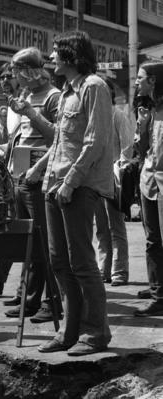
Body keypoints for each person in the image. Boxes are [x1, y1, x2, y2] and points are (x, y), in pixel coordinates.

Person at [26, 31, 113, 355]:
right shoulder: (66, 94)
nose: (50, 58)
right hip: (55, 185)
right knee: (59, 262)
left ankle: (96, 333)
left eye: (56, 53)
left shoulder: (94, 87)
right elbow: (62, 142)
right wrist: (39, 171)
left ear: (71, 57)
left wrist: (70, 182)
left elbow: (95, 141)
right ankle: (69, 331)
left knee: (82, 263)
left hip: (77, 188)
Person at [0, 48, 63, 323]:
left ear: (29, 71)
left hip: (40, 176)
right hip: (22, 175)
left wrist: (32, 115)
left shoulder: (52, 97)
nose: (13, 78)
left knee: (46, 242)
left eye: (16, 72)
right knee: (29, 241)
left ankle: (52, 301)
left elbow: (57, 138)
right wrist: (5, 149)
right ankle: (31, 300)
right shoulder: (26, 96)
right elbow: (22, 136)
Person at [94, 78, 133, 286]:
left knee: (116, 226)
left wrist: (119, 170)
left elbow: (127, 148)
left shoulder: (117, 115)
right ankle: (104, 268)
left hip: (114, 179)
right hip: (95, 179)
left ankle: (120, 270)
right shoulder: (93, 116)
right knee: (101, 227)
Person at [133, 60, 163, 316]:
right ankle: (157, 291)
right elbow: (143, 152)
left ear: (153, 80)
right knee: (153, 240)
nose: (136, 81)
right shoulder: (148, 110)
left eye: (140, 77)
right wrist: (142, 127)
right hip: (148, 182)